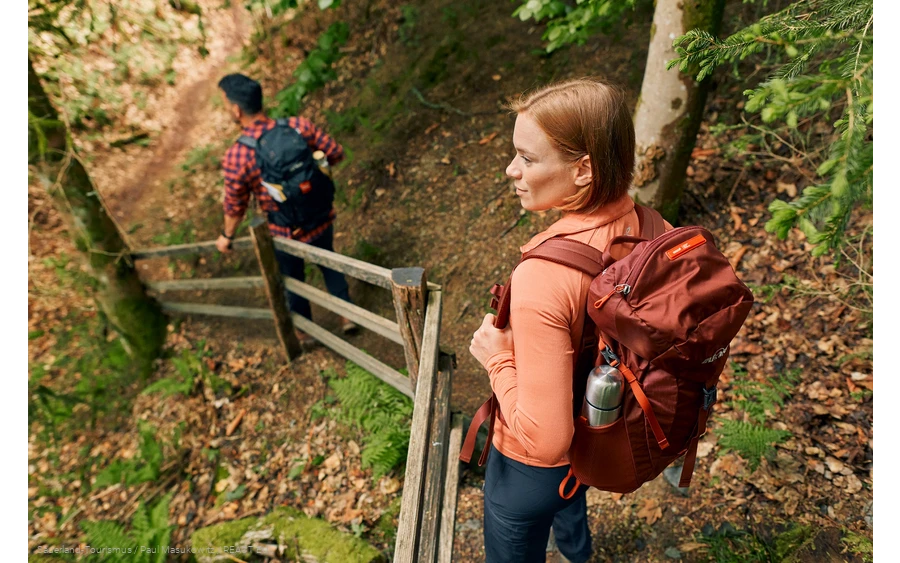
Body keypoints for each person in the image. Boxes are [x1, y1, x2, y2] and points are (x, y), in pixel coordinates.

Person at [468, 77, 672, 563]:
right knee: (570, 498)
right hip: (596, 432)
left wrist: (497, 360)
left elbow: (544, 439)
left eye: (528, 158)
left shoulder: (544, 277)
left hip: (528, 472)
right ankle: (579, 555)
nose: (510, 169)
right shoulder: (652, 227)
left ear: (583, 169)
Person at [215, 73, 357, 345]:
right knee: (329, 261)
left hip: (285, 231)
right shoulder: (298, 126)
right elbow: (335, 153)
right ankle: (347, 315)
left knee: (293, 279)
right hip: (321, 217)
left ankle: (305, 332)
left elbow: (235, 206)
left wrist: (227, 236)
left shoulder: (238, 154)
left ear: (236, 109)